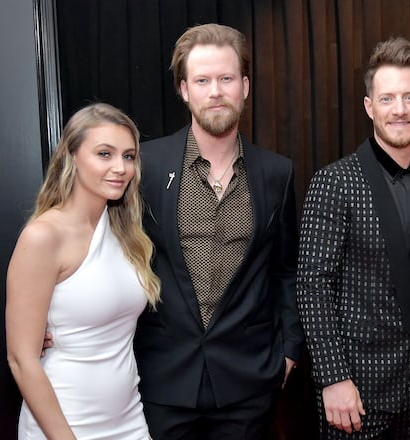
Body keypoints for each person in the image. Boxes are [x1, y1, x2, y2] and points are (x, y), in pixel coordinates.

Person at [132, 23, 305, 439]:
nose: (215, 91)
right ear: (183, 89)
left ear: (245, 87)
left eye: (226, 79)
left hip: (248, 381)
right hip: (164, 379)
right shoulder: (145, 167)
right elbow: (109, 250)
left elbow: (285, 270)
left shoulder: (275, 173)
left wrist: (289, 352)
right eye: (202, 80)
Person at [297, 36, 410, 439]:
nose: (400, 110)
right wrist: (332, 378)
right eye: (387, 99)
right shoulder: (334, 181)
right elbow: (312, 286)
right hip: (355, 397)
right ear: (370, 107)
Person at [5, 102, 161, 439]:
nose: (120, 167)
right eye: (104, 154)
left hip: (129, 419)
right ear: (71, 156)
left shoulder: (125, 233)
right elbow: (21, 359)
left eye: (129, 156)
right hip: (64, 423)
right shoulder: (43, 236)